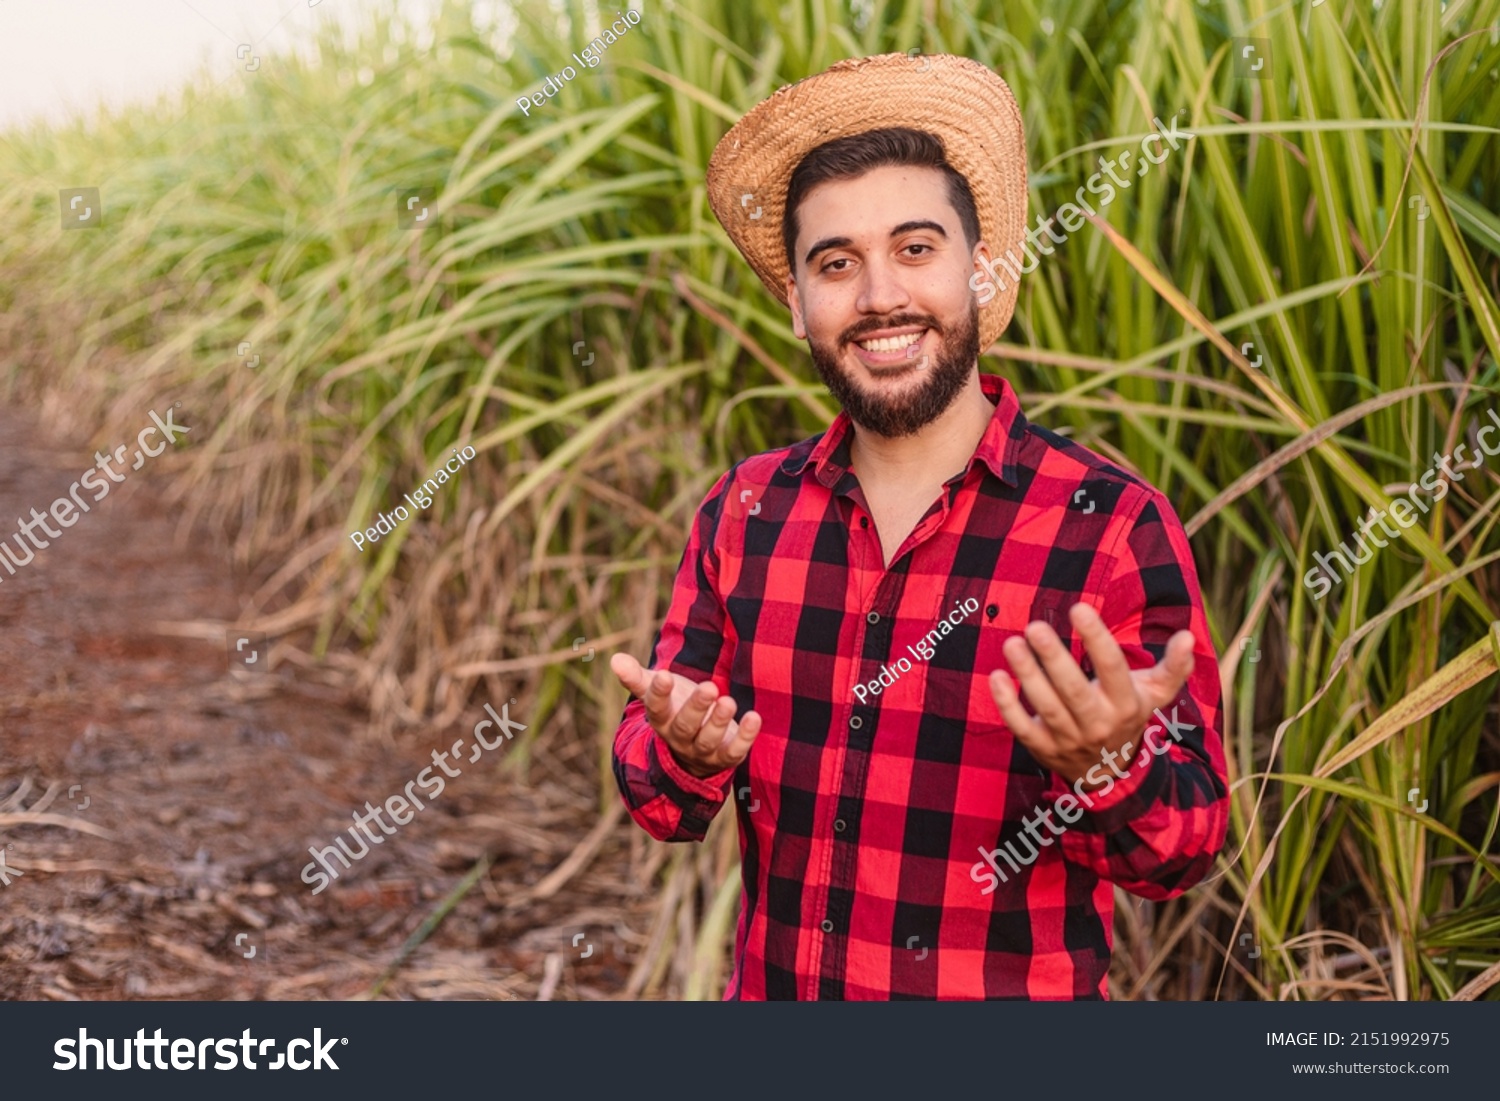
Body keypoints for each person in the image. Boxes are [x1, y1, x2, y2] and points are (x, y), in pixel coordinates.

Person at [609, 52, 1228, 1000]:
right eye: (836, 263)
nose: (879, 298)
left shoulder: (1108, 527)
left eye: (914, 248)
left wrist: (1114, 763)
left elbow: (1187, 847)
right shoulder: (744, 512)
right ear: (796, 303)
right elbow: (657, 800)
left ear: (980, 270)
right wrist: (681, 756)